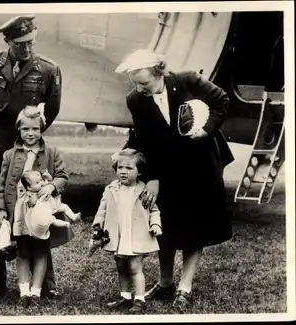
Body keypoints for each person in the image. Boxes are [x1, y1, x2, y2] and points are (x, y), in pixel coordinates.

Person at [114, 49, 234, 312]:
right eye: (135, 83)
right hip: (167, 167)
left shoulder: (190, 81)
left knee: (195, 229)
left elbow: (221, 100)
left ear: (160, 72)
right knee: (164, 227)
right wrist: (153, 177)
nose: (140, 88)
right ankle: (166, 282)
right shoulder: (135, 99)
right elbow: (145, 138)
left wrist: (207, 129)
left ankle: (185, 287)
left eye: (144, 82)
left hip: (201, 164)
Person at [0, 14, 63, 300]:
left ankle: (46, 282)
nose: (27, 48)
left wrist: (29, 138)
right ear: (8, 41)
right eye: (21, 43)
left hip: (29, 142)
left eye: (31, 42)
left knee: (39, 211)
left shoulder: (49, 70)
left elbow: (50, 110)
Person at [0, 106, 74, 306]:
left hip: (42, 211)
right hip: (19, 212)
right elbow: (2, 185)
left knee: (41, 250)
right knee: (22, 250)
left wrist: (51, 186)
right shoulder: (9, 155)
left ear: (42, 129)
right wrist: (1, 209)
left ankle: (38, 290)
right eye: (25, 129)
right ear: (19, 130)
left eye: (35, 129)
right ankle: (24, 292)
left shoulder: (52, 152)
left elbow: (63, 177)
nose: (30, 134)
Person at [92, 148, 162, 314]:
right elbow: (102, 208)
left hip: (135, 236)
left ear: (139, 172)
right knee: (121, 266)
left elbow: (154, 210)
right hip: (119, 236)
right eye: (120, 168)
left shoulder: (144, 190)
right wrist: (98, 223)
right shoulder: (111, 189)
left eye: (129, 168)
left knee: (135, 267)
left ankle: (139, 299)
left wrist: (156, 224)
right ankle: (125, 296)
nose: (123, 171)